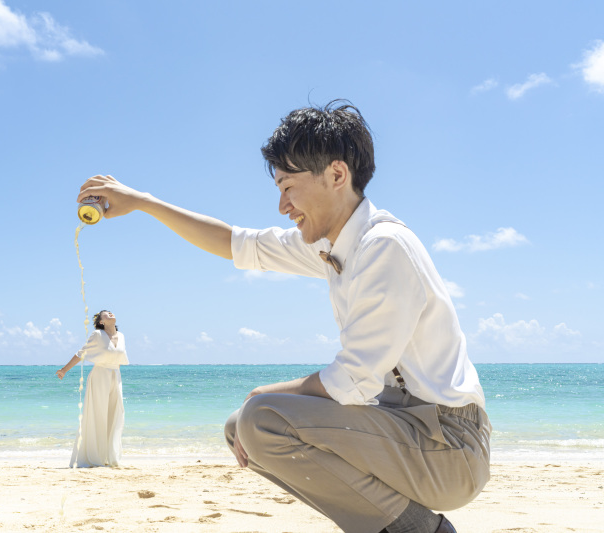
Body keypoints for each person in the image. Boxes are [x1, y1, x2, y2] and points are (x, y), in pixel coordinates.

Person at [76, 100, 490, 533]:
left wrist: (262, 393)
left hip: (449, 444)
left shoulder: (383, 246)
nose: (282, 205)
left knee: (261, 418)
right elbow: (235, 243)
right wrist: (142, 203)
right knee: (241, 427)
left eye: (288, 187)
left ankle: (423, 530)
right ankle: (404, 525)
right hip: (407, 425)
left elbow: (352, 381)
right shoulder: (336, 245)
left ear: (337, 175)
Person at [57, 310, 129, 468]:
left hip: (116, 376)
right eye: (106, 314)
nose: (110, 313)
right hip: (100, 376)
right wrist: (64, 370)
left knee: (116, 415)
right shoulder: (97, 334)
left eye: (111, 312)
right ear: (101, 321)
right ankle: (95, 457)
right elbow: (81, 353)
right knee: (99, 415)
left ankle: (110, 456)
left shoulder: (121, 336)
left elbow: (118, 359)